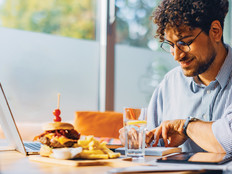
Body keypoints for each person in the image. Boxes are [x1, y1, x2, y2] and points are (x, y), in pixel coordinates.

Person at [119, 0, 232, 154]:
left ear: (215, 31)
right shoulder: (170, 84)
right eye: (171, 45)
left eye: (184, 42)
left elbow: (228, 140)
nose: (177, 56)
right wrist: (135, 139)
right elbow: (150, 142)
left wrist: (184, 127)